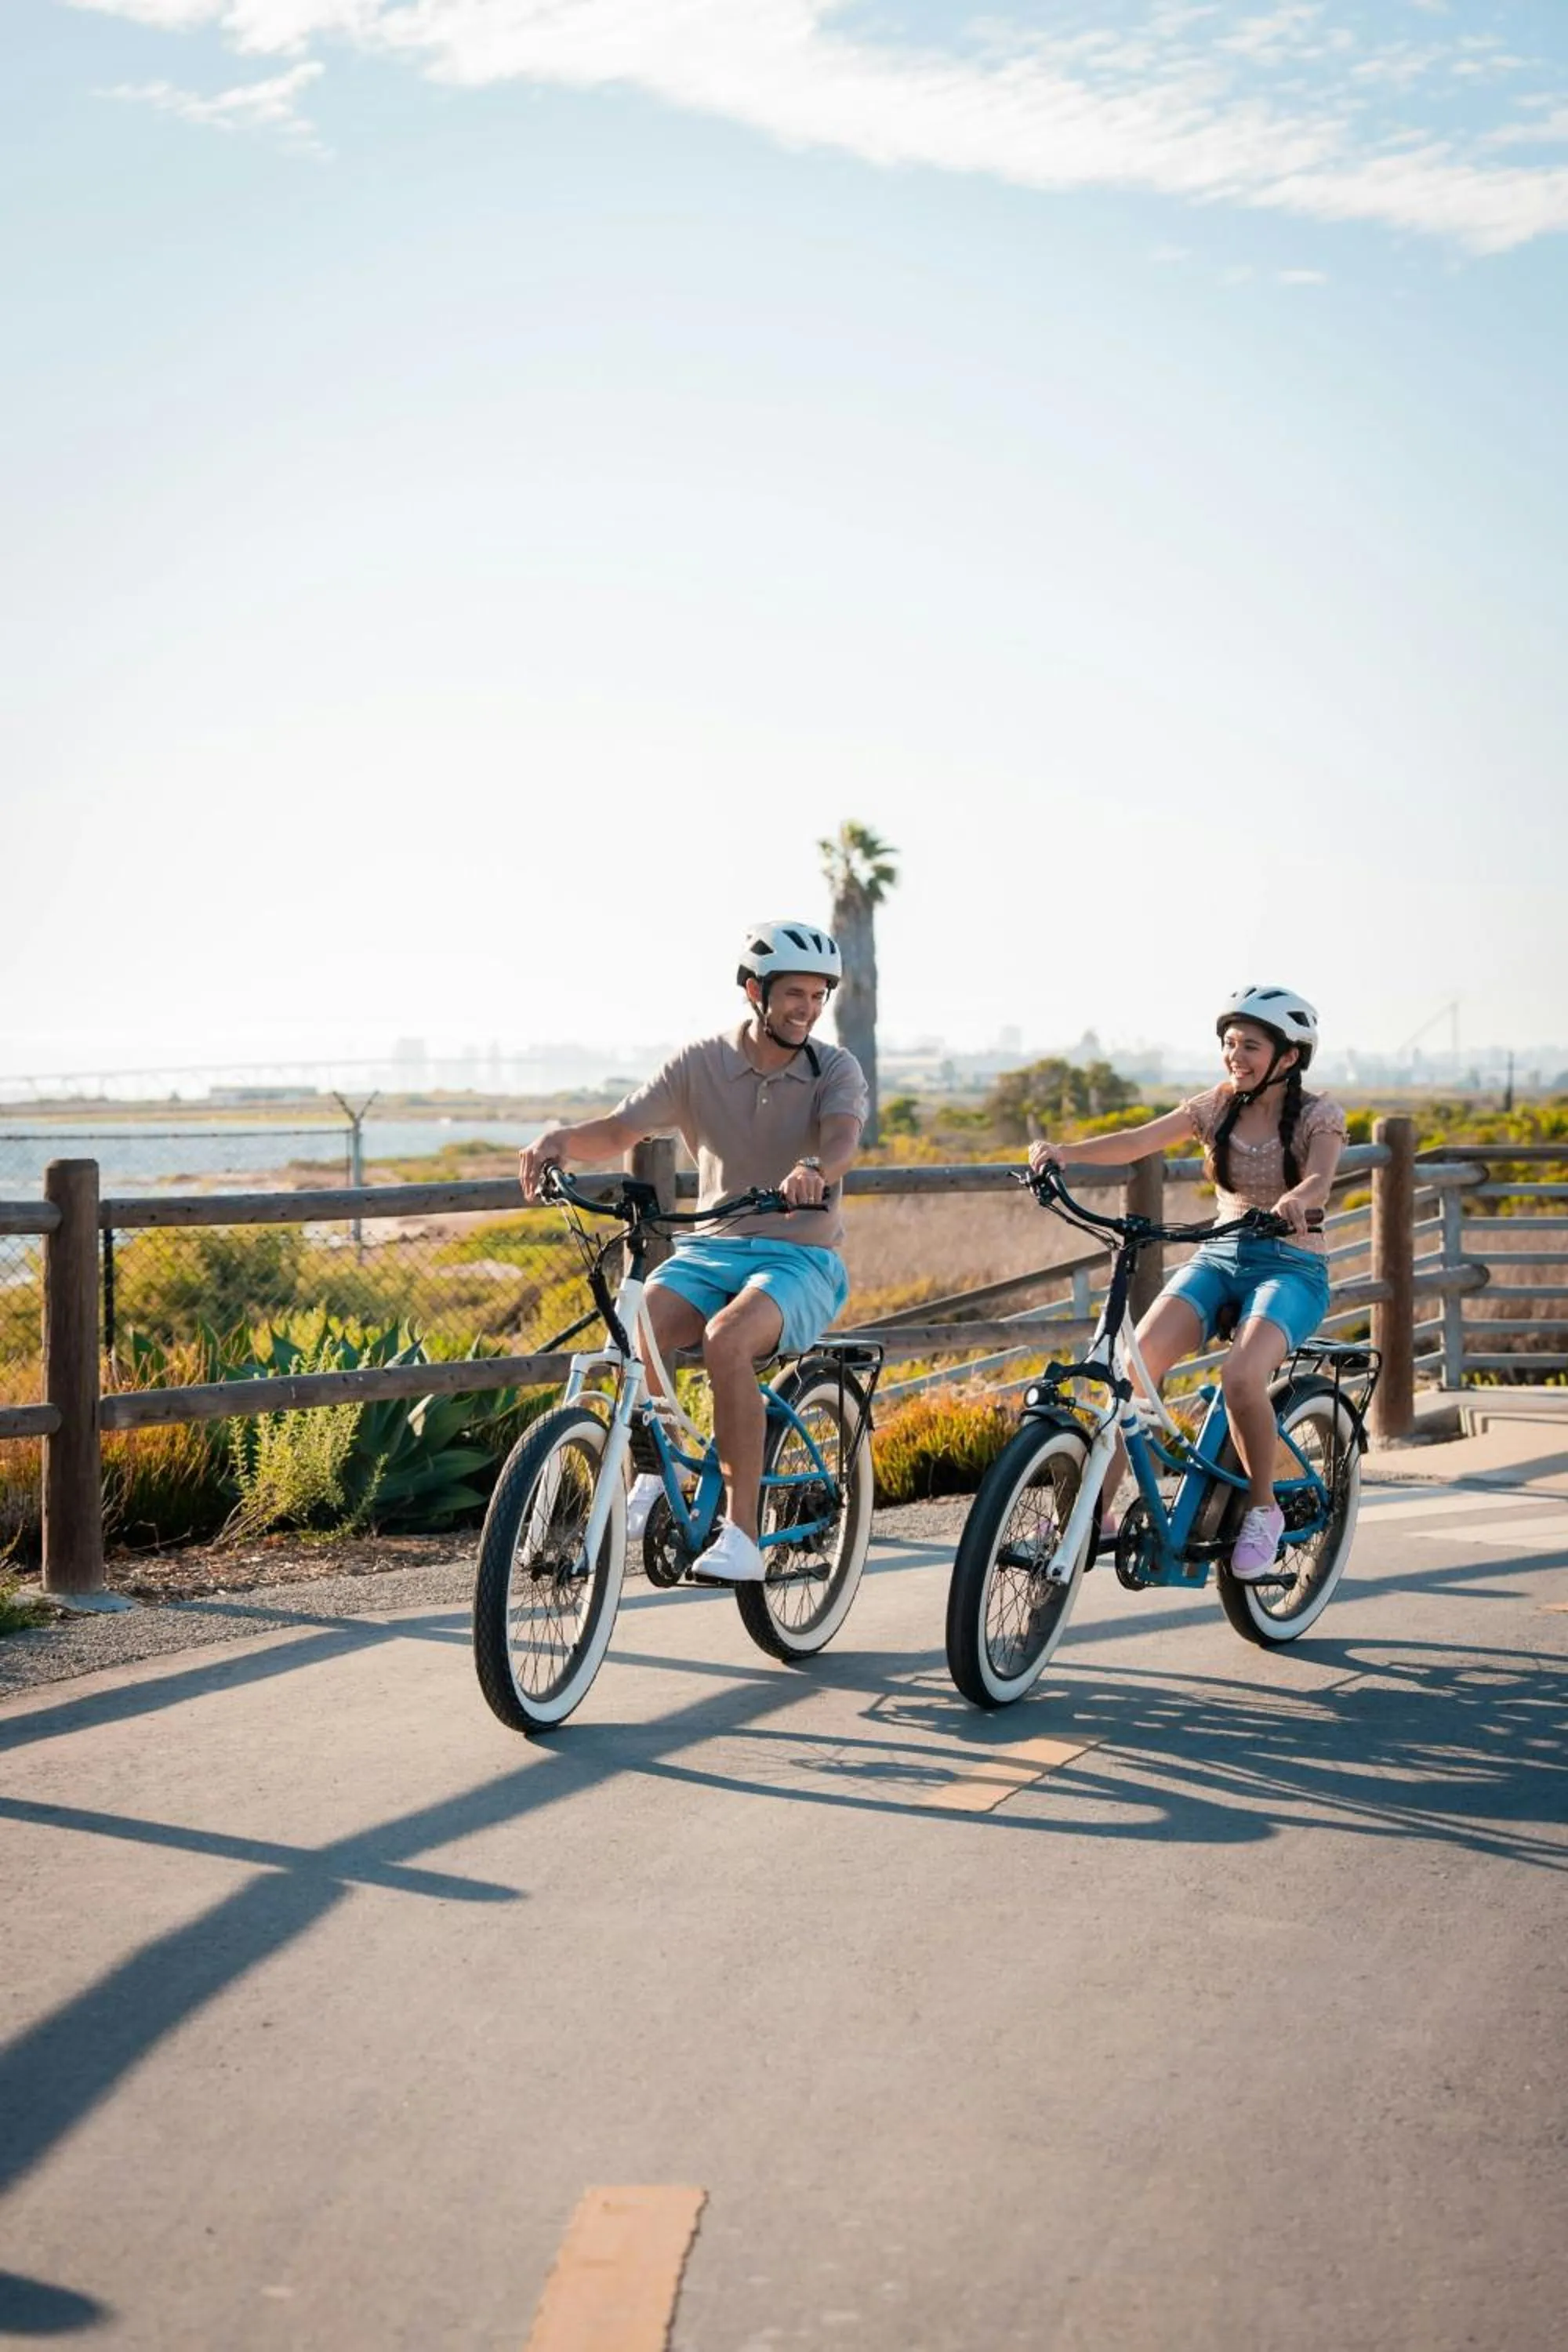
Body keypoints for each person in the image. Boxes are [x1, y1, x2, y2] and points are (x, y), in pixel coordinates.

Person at [518, 920, 869, 1583]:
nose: (808, 1008)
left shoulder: (835, 1069)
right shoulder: (699, 1064)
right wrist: (559, 1140)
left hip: (800, 1258)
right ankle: (658, 1471)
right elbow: (620, 1128)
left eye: (818, 995)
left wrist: (815, 1167)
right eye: (794, 994)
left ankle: (741, 1535)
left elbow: (843, 1138)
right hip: (712, 1249)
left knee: (726, 1339)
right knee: (637, 1324)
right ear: (754, 991)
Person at [1027, 985, 1347, 1581]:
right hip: (1220, 1254)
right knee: (1134, 1368)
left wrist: (1298, 1199)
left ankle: (1264, 1509)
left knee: (1241, 1377)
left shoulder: (1318, 1115)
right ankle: (1093, 1514)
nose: (1235, 1056)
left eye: (1250, 1046)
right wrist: (1064, 1153)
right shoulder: (1217, 1105)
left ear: (1289, 1057)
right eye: (1230, 1043)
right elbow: (1139, 1140)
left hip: (1292, 1264)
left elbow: (1321, 1178)